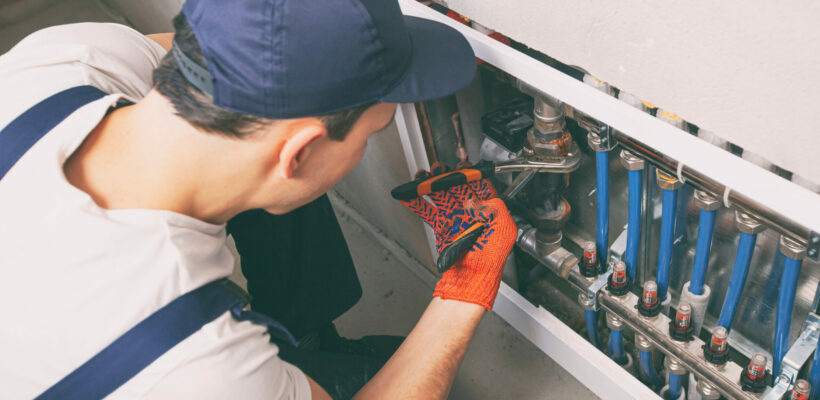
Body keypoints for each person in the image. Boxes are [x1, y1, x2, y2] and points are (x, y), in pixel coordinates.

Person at [0, 0, 517, 398]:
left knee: (248, 149)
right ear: (300, 152)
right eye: (372, 131)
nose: (367, 145)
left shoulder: (66, 62)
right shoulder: (196, 364)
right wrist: (466, 288)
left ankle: (311, 347)